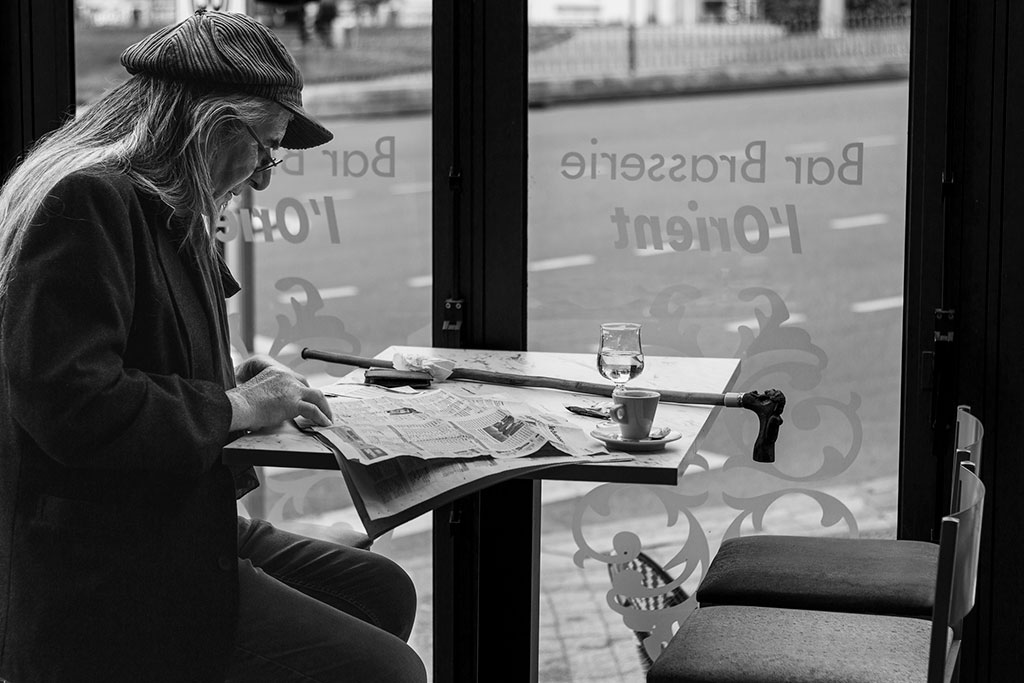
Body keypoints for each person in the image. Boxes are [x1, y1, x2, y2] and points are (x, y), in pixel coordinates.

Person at [0, 10, 426, 683]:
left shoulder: (169, 206)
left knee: (382, 590)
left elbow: (150, 356)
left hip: (173, 521)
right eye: (268, 145)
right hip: (112, 566)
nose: (264, 176)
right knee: (391, 671)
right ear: (213, 124)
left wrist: (243, 376)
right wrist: (241, 404)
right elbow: (74, 405)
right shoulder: (89, 200)